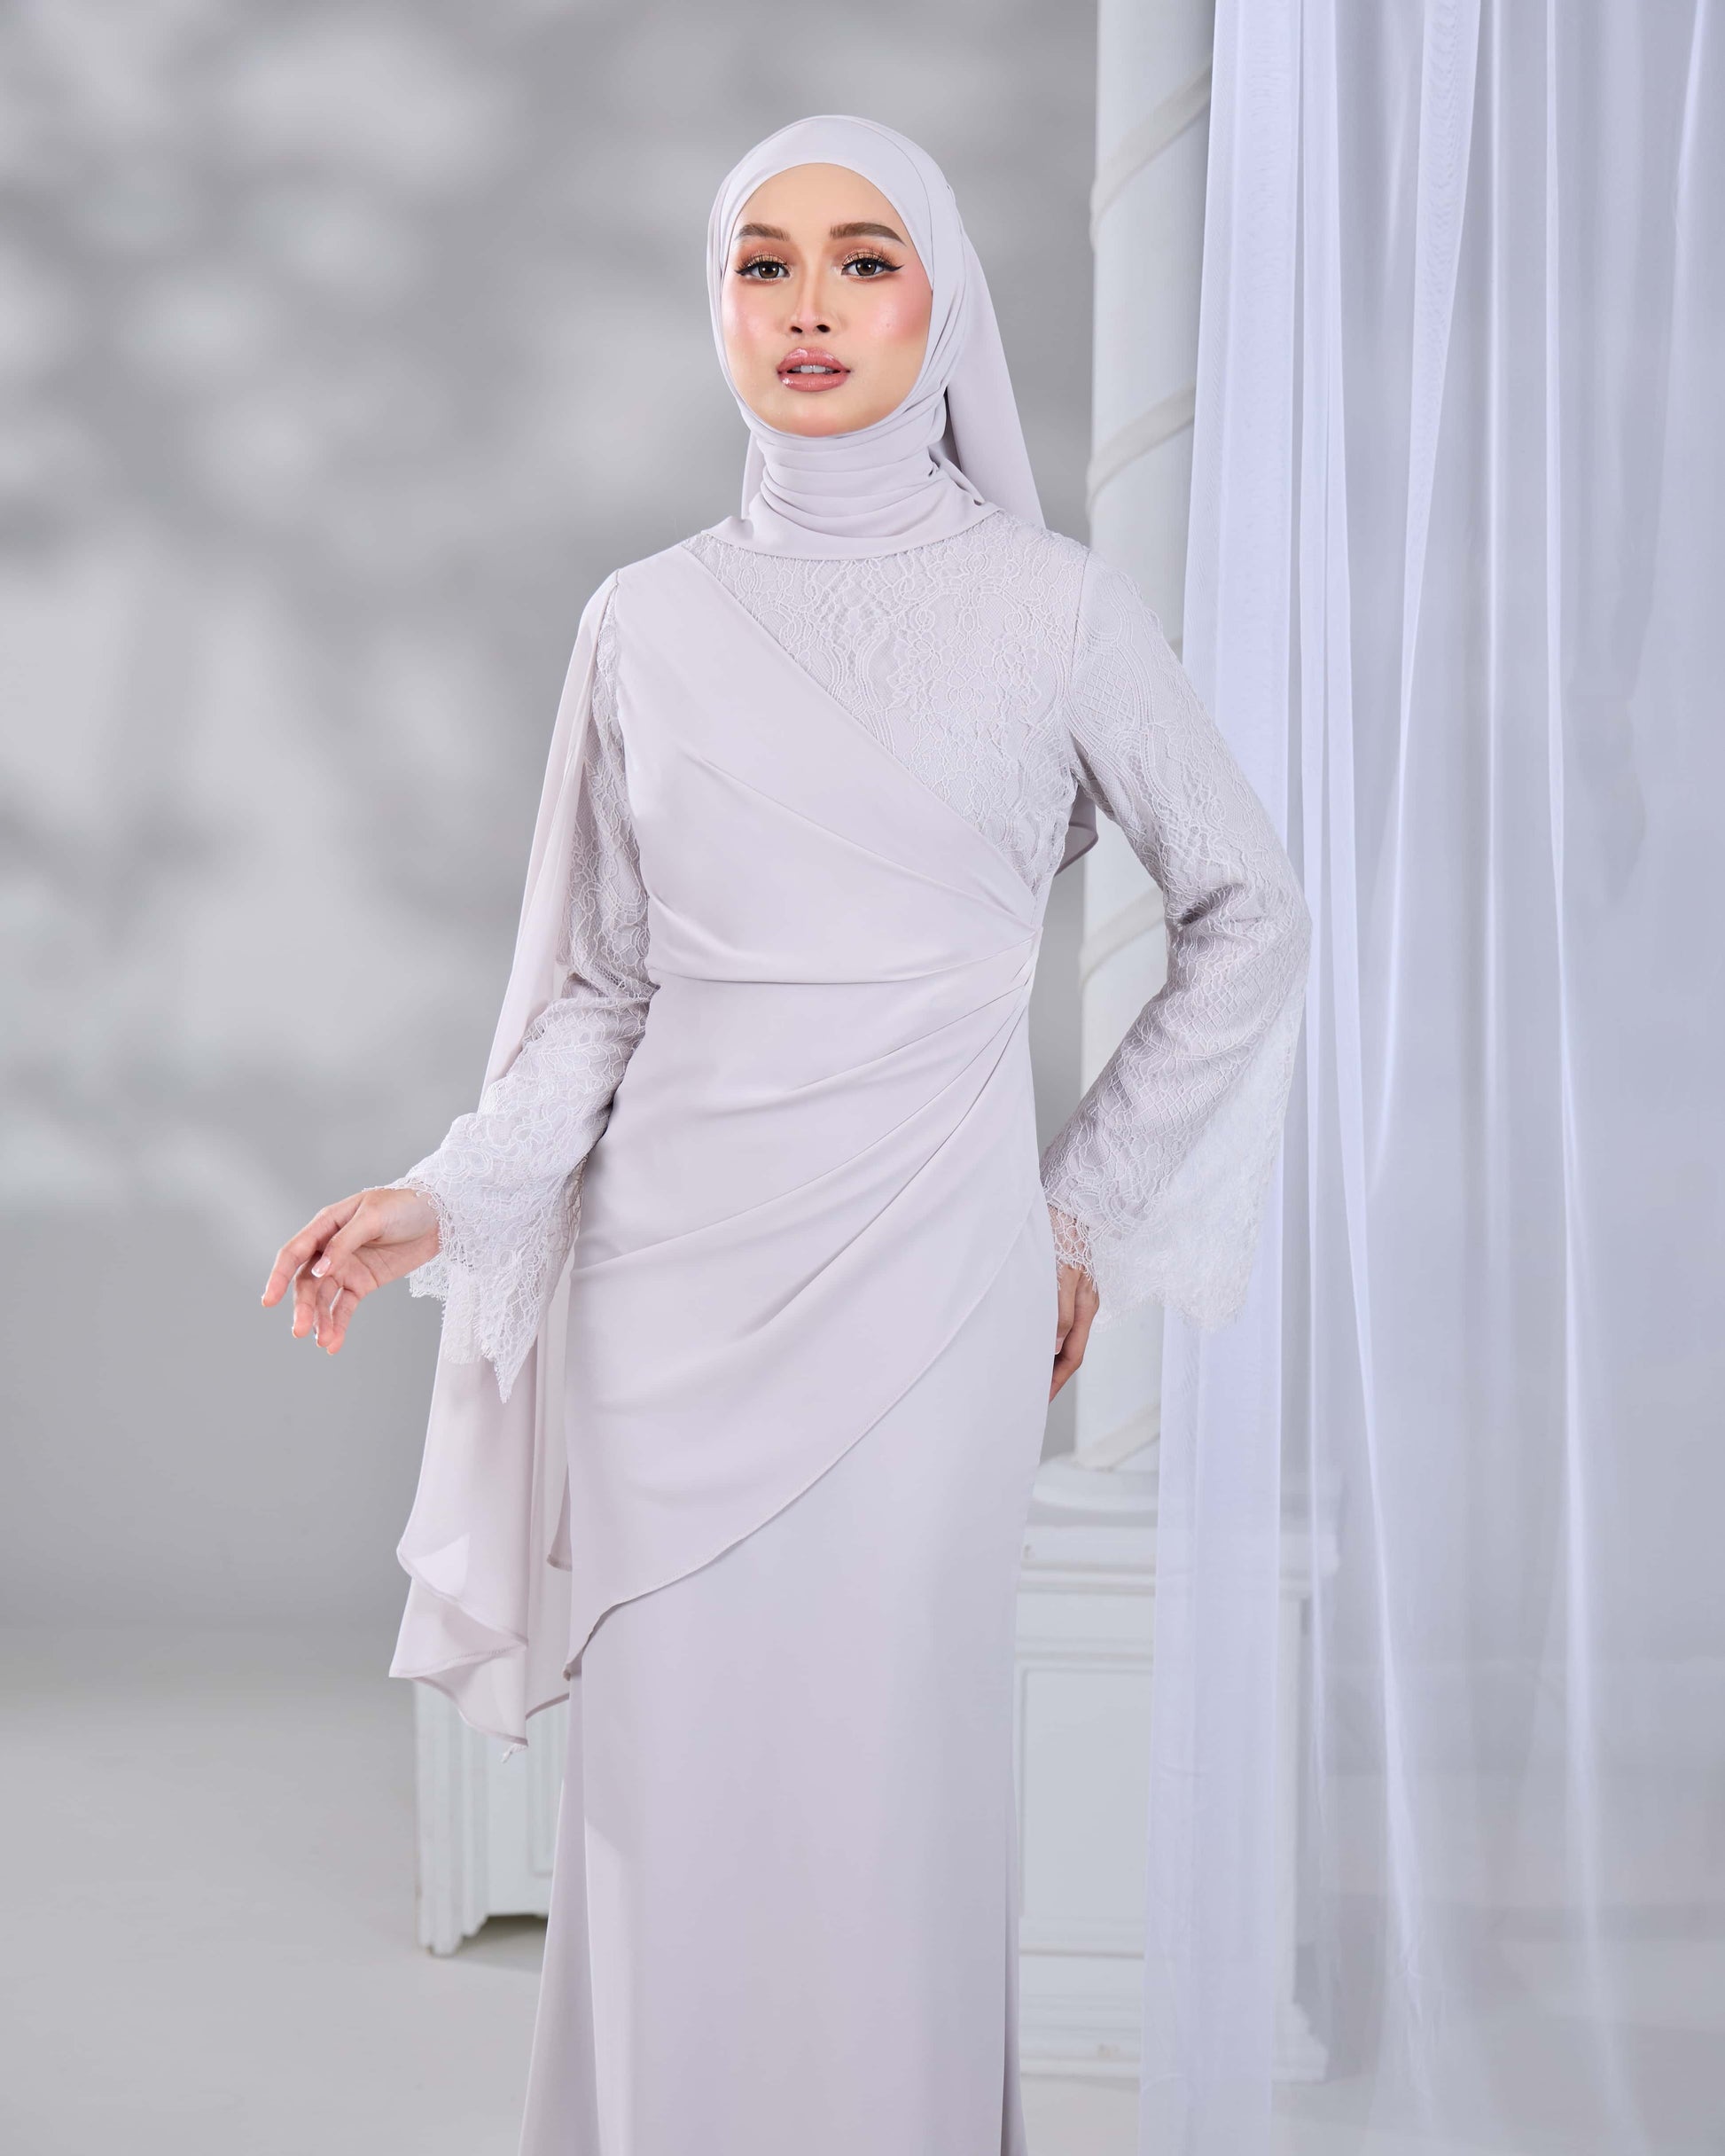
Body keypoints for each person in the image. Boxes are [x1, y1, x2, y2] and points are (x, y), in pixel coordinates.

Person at [261, 114, 1308, 2156]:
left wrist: (1084, 1207)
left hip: (927, 1307)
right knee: (671, 1826)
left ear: (941, 306)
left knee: (887, 1809)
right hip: (666, 1316)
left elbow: (1247, 908)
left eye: (863, 259)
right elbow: (604, 989)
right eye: (764, 264)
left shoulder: (1052, 611)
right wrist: (446, 1196)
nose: (809, 304)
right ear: (718, 307)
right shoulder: (643, 621)